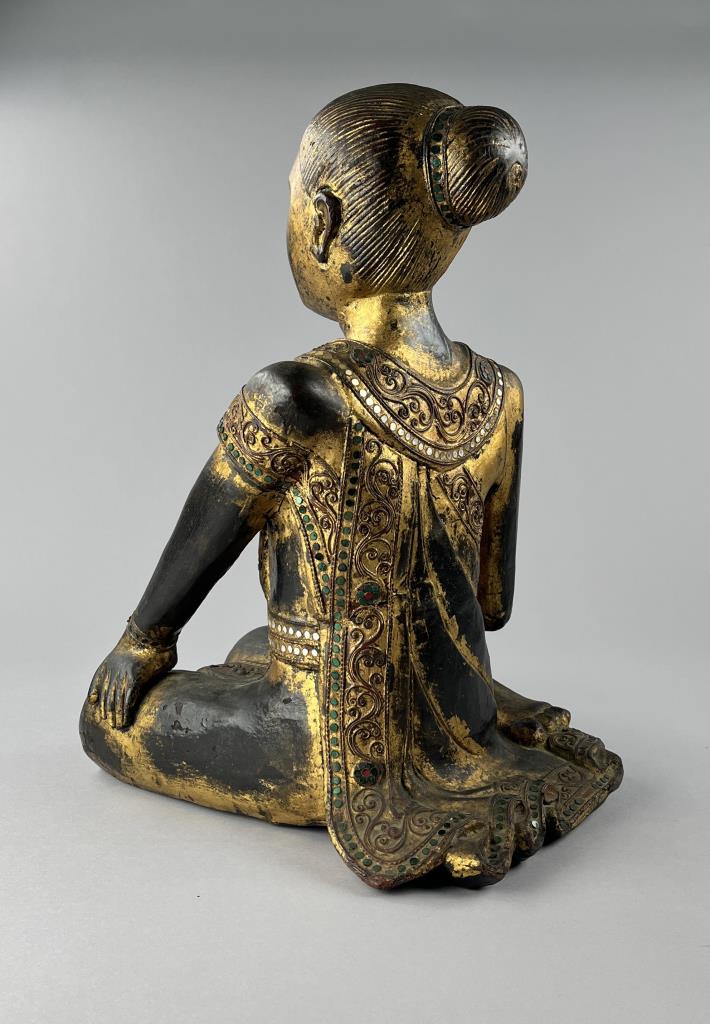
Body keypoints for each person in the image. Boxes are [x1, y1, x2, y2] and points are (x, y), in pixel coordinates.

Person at [81, 83, 622, 889]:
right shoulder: (499, 392)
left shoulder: (296, 396)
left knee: (104, 725)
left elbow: (193, 562)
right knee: (247, 647)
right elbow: (491, 605)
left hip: (328, 734)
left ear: (323, 222)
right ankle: (483, 730)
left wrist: (139, 646)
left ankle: (350, 756)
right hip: (460, 703)